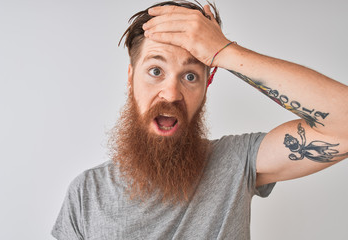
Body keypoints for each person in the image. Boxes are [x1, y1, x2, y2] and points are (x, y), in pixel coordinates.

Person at [52, 1, 348, 239]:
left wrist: (225, 52)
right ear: (131, 79)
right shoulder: (86, 194)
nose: (171, 93)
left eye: (191, 76)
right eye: (155, 71)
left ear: (207, 85)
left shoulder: (238, 162)